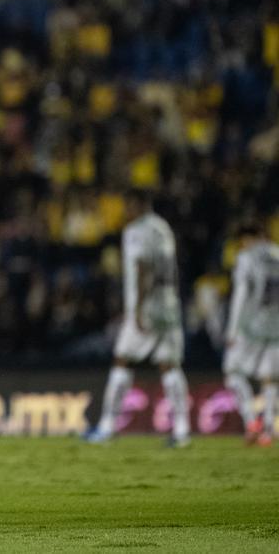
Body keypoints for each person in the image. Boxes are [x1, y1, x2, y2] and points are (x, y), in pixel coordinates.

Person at [86, 191, 191, 447]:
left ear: (138, 205)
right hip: (168, 304)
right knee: (169, 365)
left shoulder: (136, 231)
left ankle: (107, 427)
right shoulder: (163, 228)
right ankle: (182, 430)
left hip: (147, 307)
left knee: (122, 360)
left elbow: (143, 267)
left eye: (128, 206)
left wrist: (139, 309)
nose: (126, 211)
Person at [223, 222, 279, 446]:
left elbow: (241, 295)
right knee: (270, 378)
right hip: (276, 326)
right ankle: (268, 428)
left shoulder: (247, 257)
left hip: (252, 326)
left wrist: (232, 330)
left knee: (232, 371)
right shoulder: (277, 254)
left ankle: (251, 422)